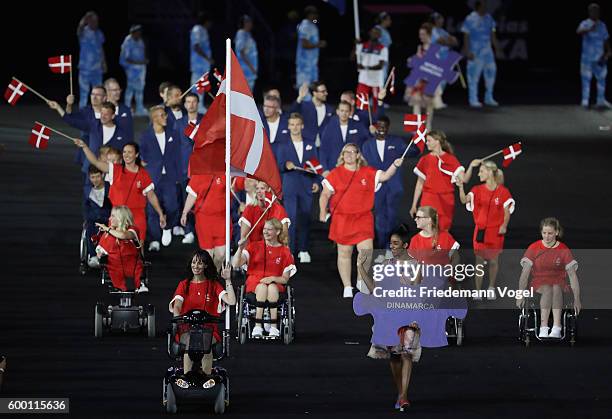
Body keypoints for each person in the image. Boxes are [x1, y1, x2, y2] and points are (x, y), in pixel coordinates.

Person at [319, 143, 403, 298]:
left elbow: (385, 176)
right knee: (344, 253)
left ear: (358, 155)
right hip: (342, 219)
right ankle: (347, 287)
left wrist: (394, 165)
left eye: (353, 152)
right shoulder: (335, 174)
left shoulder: (368, 172)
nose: (349, 155)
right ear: (342, 155)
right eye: (346, 152)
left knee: (366, 252)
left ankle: (360, 279)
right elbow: (325, 194)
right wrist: (322, 211)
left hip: (363, 218)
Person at [75, 140, 167, 243]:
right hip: (117, 216)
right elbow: (96, 162)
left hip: (136, 215)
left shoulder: (143, 174)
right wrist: (84, 147)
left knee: (138, 248)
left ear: (136, 155)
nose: (126, 155)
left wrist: (160, 214)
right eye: (124, 152)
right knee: (115, 248)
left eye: (130, 152)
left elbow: (151, 196)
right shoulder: (115, 169)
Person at [169, 250, 236, 375]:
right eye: (194, 263)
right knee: (192, 339)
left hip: (209, 331)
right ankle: (186, 376)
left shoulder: (213, 285)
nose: (196, 266)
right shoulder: (184, 285)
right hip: (186, 330)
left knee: (205, 339)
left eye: (200, 263)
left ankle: (207, 378)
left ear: (206, 265)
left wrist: (227, 280)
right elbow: (177, 305)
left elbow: (231, 301)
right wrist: (177, 321)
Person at [458, 160, 515, 299]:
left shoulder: (503, 191)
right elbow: (464, 200)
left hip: (495, 232)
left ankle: (491, 287)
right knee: (479, 260)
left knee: (494, 261)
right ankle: (478, 290)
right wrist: (460, 187)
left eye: (482, 171)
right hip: (480, 231)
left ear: (490, 172)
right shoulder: (476, 190)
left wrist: (503, 225)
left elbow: (506, 211)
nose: (479, 174)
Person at [361, 116, 420, 249]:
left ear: (388, 127)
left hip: (394, 187)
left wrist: (416, 136)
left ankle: (389, 247)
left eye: (384, 126)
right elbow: (364, 166)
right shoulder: (367, 144)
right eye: (379, 125)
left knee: (392, 217)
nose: (381, 128)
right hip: (376, 187)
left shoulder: (397, 141)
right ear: (375, 126)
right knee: (380, 218)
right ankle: (382, 246)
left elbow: (414, 151)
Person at [516, 218, 581, 338]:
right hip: (539, 283)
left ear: (556, 232)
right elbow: (524, 274)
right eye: (544, 233)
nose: (547, 236)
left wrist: (577, 299)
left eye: (550, 233)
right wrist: (520, 295)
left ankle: (556, 327)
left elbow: (572, 276)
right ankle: (544, 327)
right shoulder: (534, 248)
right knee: (547, 288)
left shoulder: (563, 249)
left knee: (555, 287)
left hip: (559, 283)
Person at [232, 219, 296, 337]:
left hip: (275, 285)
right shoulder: (253, 246)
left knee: (270, 287)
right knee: (262, 287)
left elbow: (285, 279)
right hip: (255, 284)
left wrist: (272, 278)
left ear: (277, 232)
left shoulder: (284, 252)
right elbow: (236, 264)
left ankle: (273, 327)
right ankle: (257, 326)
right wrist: (240, 248)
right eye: (264, 229)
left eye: (269, 229)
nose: (265, 232)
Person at [275, 113, 320, 262]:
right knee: (290, 219)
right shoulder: (282, 145)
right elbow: (278, 165)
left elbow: (316, 165)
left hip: (306, 186)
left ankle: (303, 249)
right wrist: (285, 165)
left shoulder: (310, 143)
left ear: (302, 126)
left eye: (297, 124)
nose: (295, 127)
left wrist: (316, 182)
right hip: (290, 186)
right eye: (292, 124)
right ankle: (290, 250)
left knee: (305, 218)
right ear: (288, 127)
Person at [49, 100, 129, 178]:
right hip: (92, 172)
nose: (103, 116)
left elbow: (125, 153)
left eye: (106, 114)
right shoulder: (93, 124)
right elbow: (71, 121)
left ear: (113, 116)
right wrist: (58, 107)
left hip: (113, 174)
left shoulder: (121, 132)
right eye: (102, 113)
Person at [139, 105, 181, 251]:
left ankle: (167, 227)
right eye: (162, 115)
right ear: (154, 118)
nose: (165, 117)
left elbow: (177, 155)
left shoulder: (173, 134)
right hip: (153, 178)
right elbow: (142, 156)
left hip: (169, 177)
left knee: (172, 206)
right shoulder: (145, 136)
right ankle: (155, 239)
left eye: (165, 114)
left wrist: (177, 175)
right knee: (151, 210)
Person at [409, 130, 464, 231]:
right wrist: (414, 205)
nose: (426, 143)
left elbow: (463, 178)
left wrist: (470, 168)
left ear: (437, 141)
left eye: (429, 140)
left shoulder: (451, 159)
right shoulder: (424, 160)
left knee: (443, 230)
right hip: (429, 197)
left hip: (446, 200)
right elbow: (419, 184)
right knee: (428, 228)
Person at [181, 174, 230, 269]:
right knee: (208, 255)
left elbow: (233, 190)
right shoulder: (199, 174)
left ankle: (214, 274)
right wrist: (184, 212)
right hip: (204, 219)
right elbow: (192, 195)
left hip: (221, 218)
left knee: (221, 254)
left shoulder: (225, 172)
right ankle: (210, 280)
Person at [95, 205, 147, 292]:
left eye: (113, 216)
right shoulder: (108, 234)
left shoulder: (133, 230)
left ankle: (137, 285)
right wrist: (100, 254)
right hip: (114, 266)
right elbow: (100, 249)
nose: (109, 218)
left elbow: (123, 235)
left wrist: (106, 228)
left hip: (131, 264)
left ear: (120, 217)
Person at [175, 93, 204, 244]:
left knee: (202, 201)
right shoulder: (178, 123)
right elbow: (174, 147)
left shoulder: (206, 120)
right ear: (185, 104)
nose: (191, 105)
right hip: (184, 168)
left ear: (198, 103)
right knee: (186, 199)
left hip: (203, 167)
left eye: (194, 102)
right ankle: (188, 231)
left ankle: (201, 230)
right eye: (188, 102)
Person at [461, 0, 502, 107]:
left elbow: (493, 35)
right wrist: (467, 50)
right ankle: (473, 99)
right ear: (478, 6)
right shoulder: (470, 18)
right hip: (475, 51)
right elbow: (466, 36)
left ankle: (489, 97)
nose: (486, 7)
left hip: (487, 51)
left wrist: (497, 49)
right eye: (484, 5)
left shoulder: (489, 18)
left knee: (491, 73)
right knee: (473, 76)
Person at [577, 3, 612, 108]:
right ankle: (585, 100)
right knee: (586, 79)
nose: (595, 13)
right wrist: (589, 29)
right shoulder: (585, 23)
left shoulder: (602, 25)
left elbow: (606, 39)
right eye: (593, 11)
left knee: (601, 78)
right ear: (589, 12)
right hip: (587, 57)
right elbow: (578, 32)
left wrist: (608, 51)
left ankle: (600, 100)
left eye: (597, 11)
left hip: (599, 57)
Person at [320, 101, 369, 175]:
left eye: (346, 111)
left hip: (354, 169)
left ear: (350, 112)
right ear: (337, 111)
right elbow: (323, 150)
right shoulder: (329, 127)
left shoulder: (358, 126)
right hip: (333, 169)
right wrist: (325, 169)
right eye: (342, 111)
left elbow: (369, 142)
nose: (344, 113)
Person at [404, 23, 436, 131]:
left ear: (428, 34)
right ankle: (417, 128)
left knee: (428, 104)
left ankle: (428, 127)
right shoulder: (420, 47)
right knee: (416, 101)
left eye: (423, 34)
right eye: (420, 34)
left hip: (430, 79)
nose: (420, 37)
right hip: (419, 78)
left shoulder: (434, 47)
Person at [84, 165, 112, 269]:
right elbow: (86, 207)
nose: (95, 180)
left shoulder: (110, 187)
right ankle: (93, 255)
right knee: (90, 227)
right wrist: (86, 218)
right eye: (92, 177)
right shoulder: (87, 190)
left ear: (103, 175)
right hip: (94, 219)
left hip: (108, 218)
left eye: (97, 176)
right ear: (89, 177)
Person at [77, 11, 107, 109]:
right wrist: (84, 20)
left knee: (98, 92)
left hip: (97, 69)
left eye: (96, 21)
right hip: (85, 68)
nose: (95, 22)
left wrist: (104, 62)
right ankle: (83, 114)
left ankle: (98, 114)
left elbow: (101, 48)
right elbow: (79, 30)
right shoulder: (83, 31)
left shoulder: (99, 33)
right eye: (93, 20)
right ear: (88, 21)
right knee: (84, 92)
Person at [356, 26, 388, 114]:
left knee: (377, 102)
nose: (375, 35)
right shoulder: (362, 46)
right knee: (361, 101)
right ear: (369, 33)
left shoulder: (383, 48)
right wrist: (356, 46)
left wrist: (366, 68)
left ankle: (376, 122)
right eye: (373, 32)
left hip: (376, 81)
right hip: (363, 79)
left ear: (380, 36)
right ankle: (361, 120)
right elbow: (355, 60)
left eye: (377, 33)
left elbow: (380, 65)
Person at [291, 81, 334, 147]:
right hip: (307, 145)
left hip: (325, 146)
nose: (326, 93)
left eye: (326, 91)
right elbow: (292, 113)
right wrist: (300, 97)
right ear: (314, 93)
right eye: (323, 91)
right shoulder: (304, 106)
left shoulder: (330, 109)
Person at [430, 12, 458, 109]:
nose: (442, 21)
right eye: (439, 19)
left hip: (445, 57)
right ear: (435, 20)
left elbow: (454, 42)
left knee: (443, 80)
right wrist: (448, 41)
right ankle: (434, 100)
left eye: (442, 19)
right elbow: (440, 41)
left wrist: (449, 41)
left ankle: (437, 100)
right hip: (436, 57)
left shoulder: (442, 31)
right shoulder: (432, 31)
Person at [296, 6, 326, 95]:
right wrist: (319, 44)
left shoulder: (311, 25)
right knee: (304, 90)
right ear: (309, 14)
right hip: (304, 65)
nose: (316, 16)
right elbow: (304, 44)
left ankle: (312, 107)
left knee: (314, 88)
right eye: (314, 13)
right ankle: (304, 108)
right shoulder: (305, 26)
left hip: (312, 64)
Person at [120, 24, 148, 116]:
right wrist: (139, 63)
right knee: (131, 89)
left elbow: (143, 54)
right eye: (137, 32)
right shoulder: (128, 41)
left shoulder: (140, 41)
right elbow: (127, 58)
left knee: (140, 89)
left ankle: (139, 108)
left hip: (140, 69)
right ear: (133, 32)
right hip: (131, 69)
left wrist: (143, 62)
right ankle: (127, 109)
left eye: (140, 31)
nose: (139, 33)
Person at [190, 11, 214, 114]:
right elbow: (196, 46)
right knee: (196, 85)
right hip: (198, 64)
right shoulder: (197, 29)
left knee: (202, 85)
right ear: (206, 21)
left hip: (204, 65)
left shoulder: (204, 30)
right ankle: (194, 106)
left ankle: (199, 105)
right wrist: (207, 58)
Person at [235, 15, 258, 91]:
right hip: (245, 69)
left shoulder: (248, 34)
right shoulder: (241, 33)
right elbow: (241, 53)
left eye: (250, 21)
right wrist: (251, 67)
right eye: (247, 21)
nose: (250, 23)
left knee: (249, 93)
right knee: (244, 93)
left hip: (250, 70)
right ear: (243, 23)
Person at [374, 12, 393, 83]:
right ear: (383, 20)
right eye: (389, 19)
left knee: (383, 82)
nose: (390, 21)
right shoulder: (377, 29)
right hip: (379, 60)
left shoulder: (386, 31)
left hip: (385, 60)